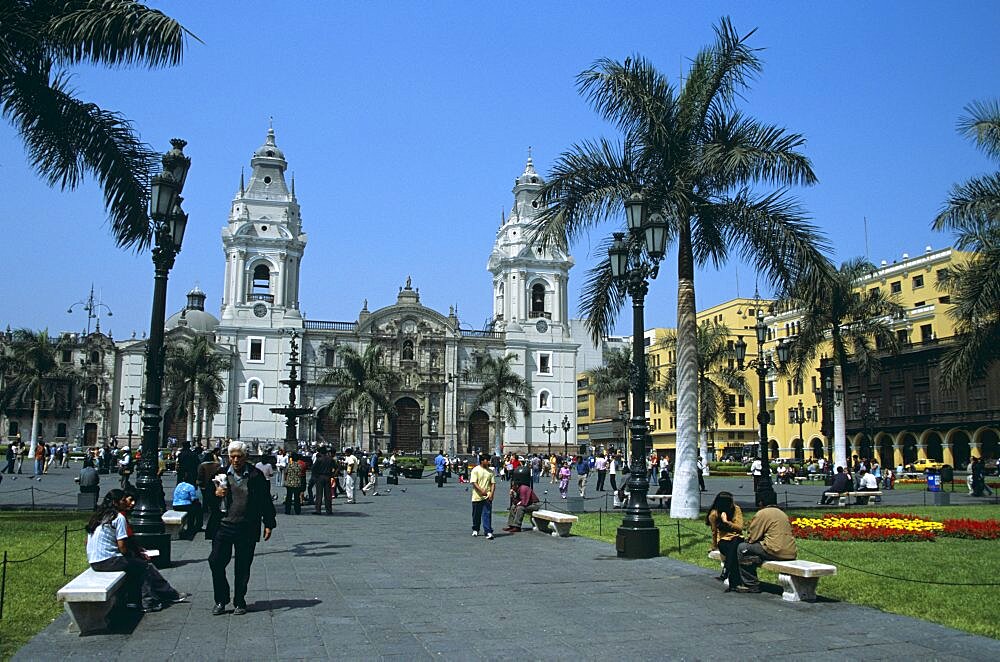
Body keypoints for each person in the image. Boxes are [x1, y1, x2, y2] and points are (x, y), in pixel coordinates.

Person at [86, 489, 189, 612]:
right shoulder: (119, 518)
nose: (127, 502)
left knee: (136, 566)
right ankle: (150, 601)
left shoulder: (98, 516)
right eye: (123, 500)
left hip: (94, 561)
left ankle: (158, 595)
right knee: (144, 566)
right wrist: (135, 556)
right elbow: (122, 547)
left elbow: (87, 542)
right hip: (109, 560)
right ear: (115, 502)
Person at [208, 441, 277, 615]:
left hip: (246, 527)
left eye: (239, 456)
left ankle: (239, 601)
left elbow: (264, 500)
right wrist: (214, 494)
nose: (236, 460)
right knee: (215, 562)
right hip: (223, 526)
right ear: (228, 457)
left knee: (243, 566)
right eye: (232, 457)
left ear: (245, 457)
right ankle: (221, 599)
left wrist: (269, 523)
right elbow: (207, 500)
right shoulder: (220, 474)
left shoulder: (255, 475)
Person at [736, 490, 796, 593]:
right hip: (790, 552)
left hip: (775, 551)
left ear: (761, 502)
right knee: (752, 553)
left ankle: (751, 584)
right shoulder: (782, 513)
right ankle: (755, 559)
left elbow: (752, 538)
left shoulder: (762, 513)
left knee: (742, 548)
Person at [706, 491, 744, 591]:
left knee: (735, 542)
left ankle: (726, 572)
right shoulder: (714, 514)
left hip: (737, 538)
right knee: (733, 549)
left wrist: (726, 522)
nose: (733, 503)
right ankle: (733, 581)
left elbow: (739, 528)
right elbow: (714, 532)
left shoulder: (736, 509)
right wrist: (714, 546)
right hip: (723, 540)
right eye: (731, 501)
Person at [470, 454, 495, 540]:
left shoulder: (490, 471)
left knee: (487, 514)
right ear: (482, 460)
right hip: (477, 496)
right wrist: (481, 490)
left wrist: (491, 493)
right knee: (476, 515)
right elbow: (474, 482)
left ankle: (488, 531)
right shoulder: (475, 470)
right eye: (487, 460)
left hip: (487, 496)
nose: (489, 462)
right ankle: (476, 529)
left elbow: (493, 484)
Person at [311, 447, 334, 514]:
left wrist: (315, 476)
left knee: (319, 494)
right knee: (328, 494)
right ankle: (329, 510)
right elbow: (337, 467)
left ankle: (318, 510)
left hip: (320, 477)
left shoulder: (319, 459)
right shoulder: (330, 459)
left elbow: (313, 468)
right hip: (328, 476)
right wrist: (333, 474)